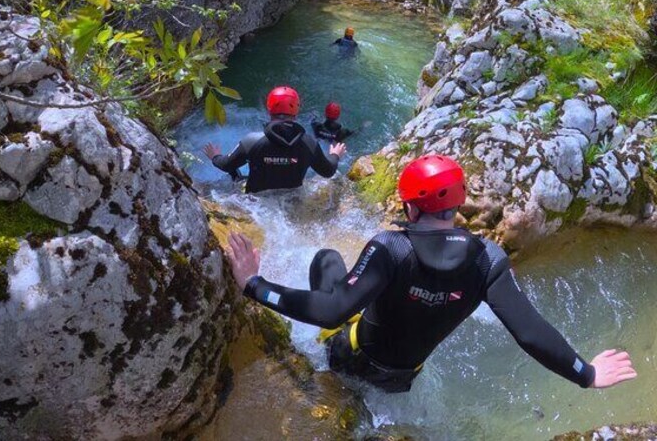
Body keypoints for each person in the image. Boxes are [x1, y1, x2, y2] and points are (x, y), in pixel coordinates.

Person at [224, 154, 637, 393]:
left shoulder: (392, 245)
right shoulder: (488, 259)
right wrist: (587, 373)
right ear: (457, 206)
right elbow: (529, 331)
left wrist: (254, 285)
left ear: (409, 208)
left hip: (350, 361)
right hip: (402, 382)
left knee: (326, 260)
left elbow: (331, 310)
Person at [203, 86, 347, 193]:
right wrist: (335, 155)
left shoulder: (252, 141)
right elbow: (328, 171)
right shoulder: (309, 143)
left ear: (269, 108)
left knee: (233, 171)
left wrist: (215, 156)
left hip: (255, 202)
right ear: (296, 110)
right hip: (291, 198)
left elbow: (226, 165)